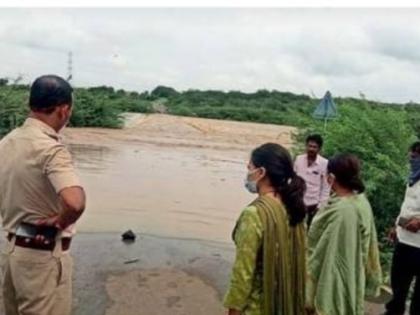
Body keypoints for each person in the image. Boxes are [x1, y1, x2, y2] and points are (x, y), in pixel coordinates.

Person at [0, 75, 86, 315]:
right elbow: (75, 203)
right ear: (63, 109)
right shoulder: (50, 149)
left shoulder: (7, 142)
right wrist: (59, 221)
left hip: (11, 252)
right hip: (42, 256)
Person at [224, 143, 307, 315]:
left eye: (250, 167)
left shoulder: (254, 214)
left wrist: (233, 311)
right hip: (286, 303)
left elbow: (243, 274)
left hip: (259, 307)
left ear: (261, 173)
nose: (248, 173)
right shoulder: (294, 206)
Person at [306, 153, 382, 315]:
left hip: (337, 280)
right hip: (353, 272)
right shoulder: (360, 200)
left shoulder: (343, 211)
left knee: (336, 306)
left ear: (331, 177)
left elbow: (330, 255)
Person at [385, 141, 420, 315]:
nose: (411, 159)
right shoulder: (414, 178)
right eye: (411, 156)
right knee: (398, 283)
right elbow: (407, 205)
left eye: (414, 157)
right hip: (404, 239)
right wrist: (395, 226)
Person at [294, 134, 330, 228]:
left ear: (319, 149)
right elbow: (293, 179)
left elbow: (326, 186)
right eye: (309, 146)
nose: (311, 149)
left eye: (314, 147)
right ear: (306, 146)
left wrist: (321, 206)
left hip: (313, 205)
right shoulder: (299, 159)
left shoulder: (324, 163)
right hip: (298, 202)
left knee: (310, 231)